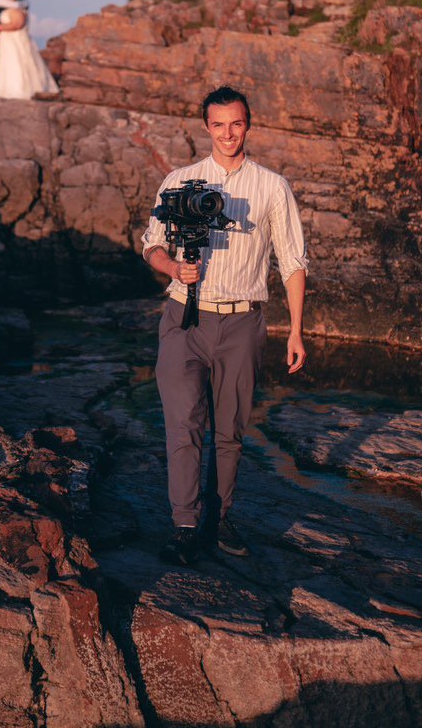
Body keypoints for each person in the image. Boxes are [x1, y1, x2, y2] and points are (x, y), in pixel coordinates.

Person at [141, 84, 308, 566]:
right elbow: (151, 243)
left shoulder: (272, 186)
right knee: (183, 425)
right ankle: (186, 525)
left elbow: (292, 262)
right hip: (183, 317)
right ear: (207, 128)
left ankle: (221, 517)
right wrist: (173, 268)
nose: (228, 133)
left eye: (236, 123)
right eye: (218, 125)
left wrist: (295, 330)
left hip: (243, 321)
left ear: (247, 125)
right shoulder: (180, 179)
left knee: (230, 431)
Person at [0, 0, 60, 100]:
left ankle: (17, 91)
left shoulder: (16, 10)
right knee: (6, 63)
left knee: (15, 62)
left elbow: (17, 25)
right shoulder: (14, 8)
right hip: (7, 40)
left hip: (14, 40)